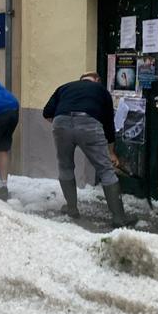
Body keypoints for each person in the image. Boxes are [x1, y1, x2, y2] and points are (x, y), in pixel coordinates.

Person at [42, 71, 136, 227]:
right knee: (105, 170)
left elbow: (47, 113)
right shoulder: (101, 91)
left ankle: (71, 209)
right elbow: (108, 125)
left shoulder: (64, 87)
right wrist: (111, 152)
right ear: (97, 80)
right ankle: (119, 218)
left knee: (65, 166)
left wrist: (63, 126)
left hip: (61, 123)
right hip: (89, 124)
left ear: (80, 80)